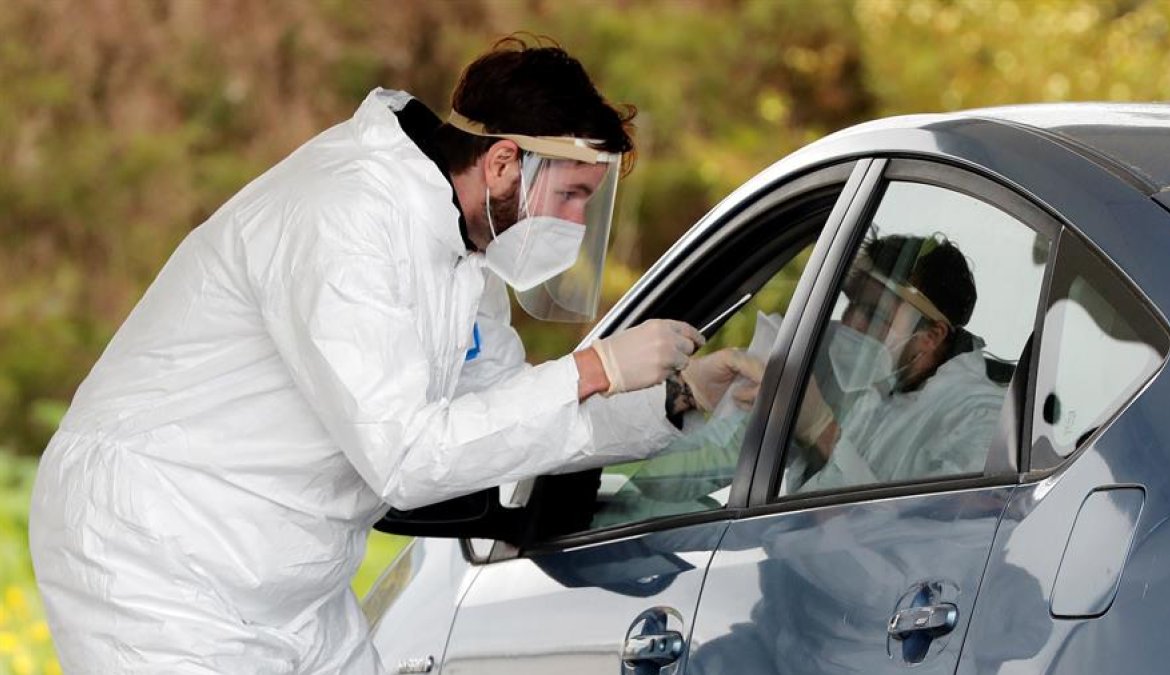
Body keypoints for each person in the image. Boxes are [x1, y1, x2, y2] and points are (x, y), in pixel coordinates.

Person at [29, 37, 712, 673]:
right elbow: (409, 459)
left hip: (288, 583)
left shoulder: (461, 258)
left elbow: (517, 424)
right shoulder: (348, 218)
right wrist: (594, 367)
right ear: (504, 161)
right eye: (569, 195)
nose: (575, 225)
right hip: (155, 556)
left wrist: (675, 400)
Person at [788, 232, 1005, 492]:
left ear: (931, 336)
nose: (850, 322)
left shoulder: (980, 418)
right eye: (853, 304)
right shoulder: (876, 391)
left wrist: (822, 431)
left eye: (873, 313)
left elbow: (922, 527)